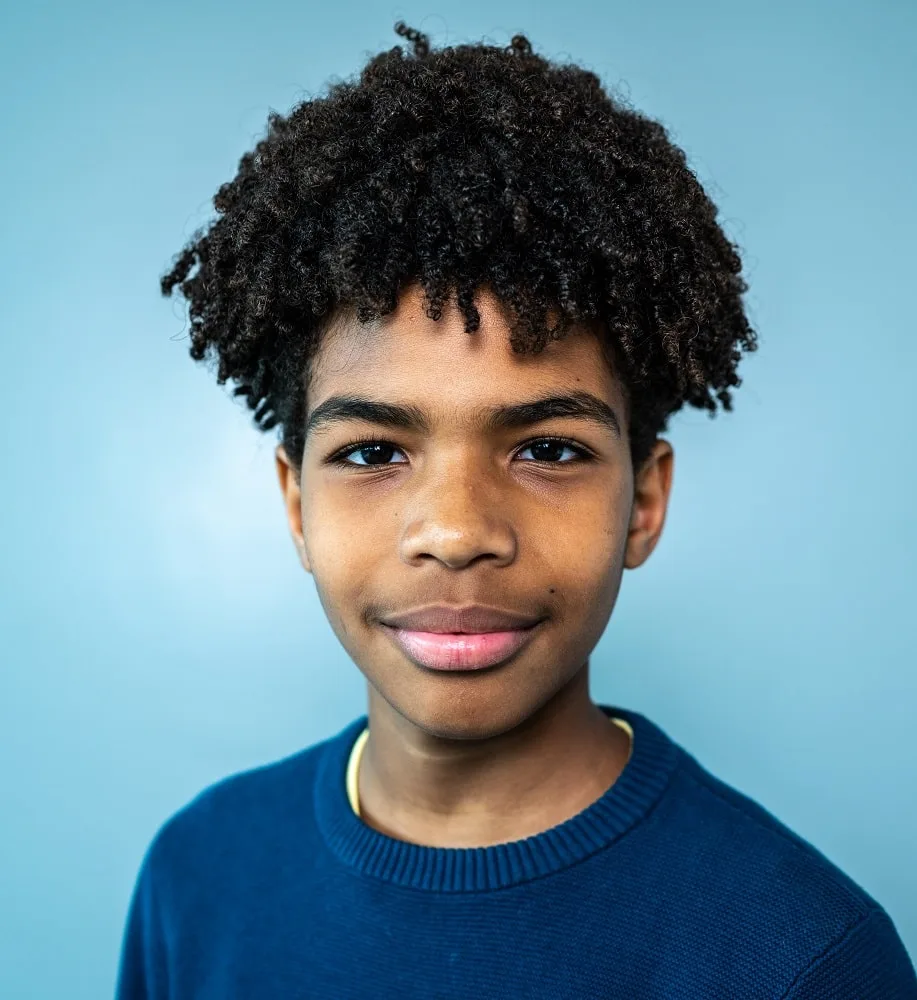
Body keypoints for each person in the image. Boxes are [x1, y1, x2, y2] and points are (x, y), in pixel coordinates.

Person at [115, 21, 916, 998]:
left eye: (546, 449)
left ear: (643, 500)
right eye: (371, 451)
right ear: (293, 502)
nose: (455, 531)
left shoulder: (799, 953)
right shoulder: (197, 879)